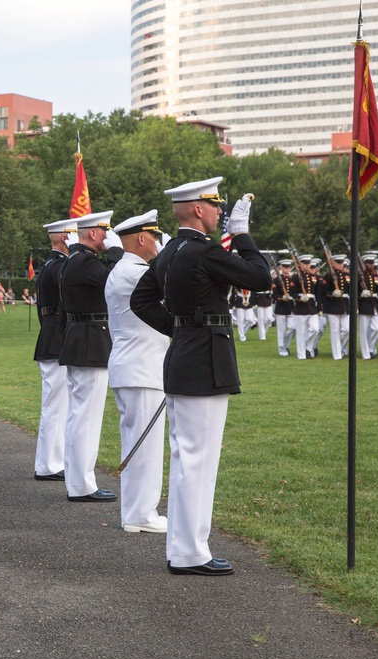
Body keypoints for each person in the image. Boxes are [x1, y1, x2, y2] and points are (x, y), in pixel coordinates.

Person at [131, 180, 270, 576]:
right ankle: (191, 552)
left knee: (186, 457)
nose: (219, 214)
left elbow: (141, 300)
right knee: (198, 460)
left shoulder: (171, 250)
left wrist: (179, 329)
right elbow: (260, 277)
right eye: (215, 207)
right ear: (197, 210)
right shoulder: (205, 250)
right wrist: (242, 236)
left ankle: (183, 548)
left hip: (183, 358)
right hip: (205, 361)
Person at [105, 210, 168, 534]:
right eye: (155, 237)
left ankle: (136, 512)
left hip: (134, 366)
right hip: (141, 367)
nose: (157, 243)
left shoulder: (126, 269)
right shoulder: (134, 271)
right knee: (144, 446)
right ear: (142, 239)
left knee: (137, 443)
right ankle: (141, 513)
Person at [57, 210, 123, 503]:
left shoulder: (75, 259)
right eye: (105, 232)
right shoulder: (84, 261)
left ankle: (77, 480)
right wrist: (118, 252)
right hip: (89, 340)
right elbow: (115, 281)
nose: (108, 237)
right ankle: (83, 485)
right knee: (87, 417)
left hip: (83, 338)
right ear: (94, 234)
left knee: (78, 416)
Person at [31, 218, 76, 482]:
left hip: (53, 336)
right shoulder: (59, 266)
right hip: (56, 338)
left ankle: (51, 461)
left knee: (57, 404)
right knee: (55, 405)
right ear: (63, 238)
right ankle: (49, 464)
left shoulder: (51, 264)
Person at [290, 255, 320, 360]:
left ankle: (308, 347)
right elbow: (292, 293)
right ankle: (301, 355)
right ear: (300, 264)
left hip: (312, 307)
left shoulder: (313, 277)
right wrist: (299, 297)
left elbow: (317, 293)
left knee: (315, 329)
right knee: (301, 333)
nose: (307, 266)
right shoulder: (295, 277)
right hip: (301, 308)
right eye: (305, 264)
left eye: (308, 264)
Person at [321, 254, 350, 360]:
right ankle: (336, 354)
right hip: (332, 305)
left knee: (347, 329)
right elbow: (324, 292)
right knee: (335, 331)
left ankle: (340, 348)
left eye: (341, 263)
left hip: (344, 305)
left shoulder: (347, 276)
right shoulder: (328, 276)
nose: (340, 265)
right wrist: (332, 293)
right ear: (333, 263)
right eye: (338, 263)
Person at [357, 254, 378, 359]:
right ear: (364, 264)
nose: (371, 265)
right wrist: (361, 295)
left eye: (372, 263)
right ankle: (365, 353)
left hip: (375, 304)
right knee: (363, 331)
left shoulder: (377, 277)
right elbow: (354, 291)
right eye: (369, 263)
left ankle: (371, 348)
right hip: (364, 304)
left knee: (377, 329)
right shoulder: (359, 276)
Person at [272, 259, 296, 357]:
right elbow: (274, 295)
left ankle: (286, 344)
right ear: (281, 268)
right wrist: (281, 298)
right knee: (281, 330)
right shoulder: (276, 280)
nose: (287, 269)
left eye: (288, 267)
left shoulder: (292, 279)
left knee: (293, 327)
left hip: (291, 306)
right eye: (285, 267)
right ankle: (282, 349)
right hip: (281, 307)